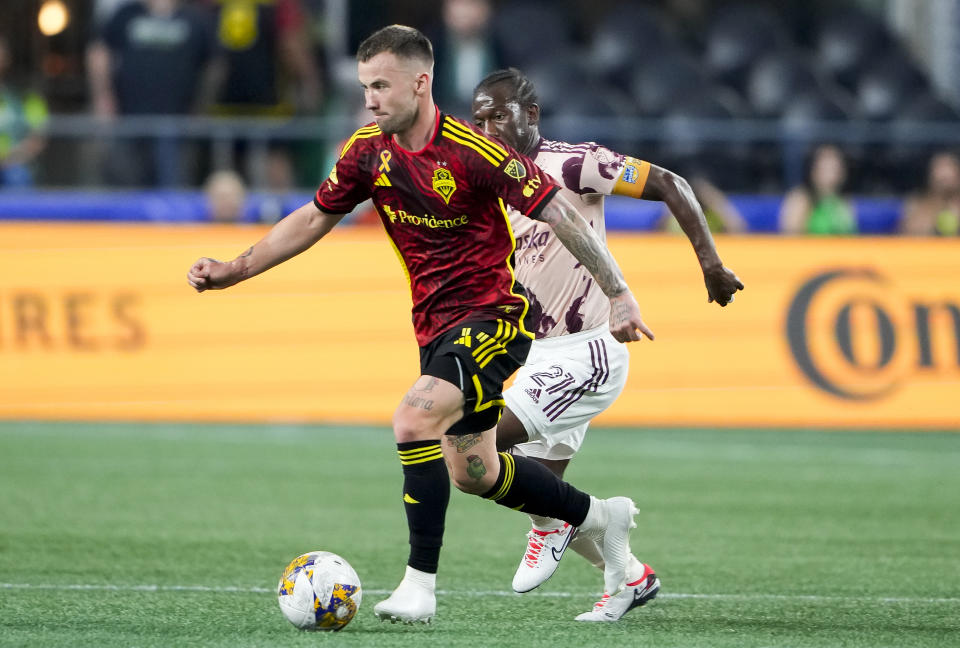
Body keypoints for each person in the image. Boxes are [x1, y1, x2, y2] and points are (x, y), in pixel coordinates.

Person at [187, 25, 653, 625]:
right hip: (435, 329)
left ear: (421, 82)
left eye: (381, 85)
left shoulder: (474, 151)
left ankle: (418, 587)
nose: (371, 99)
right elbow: (310, 218)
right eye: (364, 87)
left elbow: (560, 211)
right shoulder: (366, 152)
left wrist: (618, 293)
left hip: (494, 321)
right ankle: (599, 518)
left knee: (413, 418)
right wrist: (235, 269)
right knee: (474, 471)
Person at [472, 68, 744, 621]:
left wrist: (710, 263)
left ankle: (571, 523)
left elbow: (672, 184)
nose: (488, 127)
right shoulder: (488, 179)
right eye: (479, 118)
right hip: (541, 353)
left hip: (590, 348)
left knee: (477, 447)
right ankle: (628, 577)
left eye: (498, 115)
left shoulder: (573, 163)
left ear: (532, 116)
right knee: (541, 491)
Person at [87, 0, 214, 186]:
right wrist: (103, 98)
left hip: (177, 125)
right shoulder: (125, 15)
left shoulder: (195, 18)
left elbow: (214, 65)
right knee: (125, 189)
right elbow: (99, 52)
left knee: (173, 190)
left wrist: (202, 107)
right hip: (129, 122)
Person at [0, 34, 48, 187]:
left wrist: (8, 159)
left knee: (17, 176)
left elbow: (37, 139)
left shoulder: (25, 96)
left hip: (15, 166)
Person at [779, 143, 857, 235]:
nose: (830, 175)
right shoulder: (800, 199)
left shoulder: (844, 201)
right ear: (813, 169)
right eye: (824, 168)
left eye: (835, 168)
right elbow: (789, 239)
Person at [900, 150, 960, 236]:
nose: (944, 176)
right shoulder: (917, 203)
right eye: (939, 171)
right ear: (930, 177)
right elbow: (905, 234)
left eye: (949, 173)